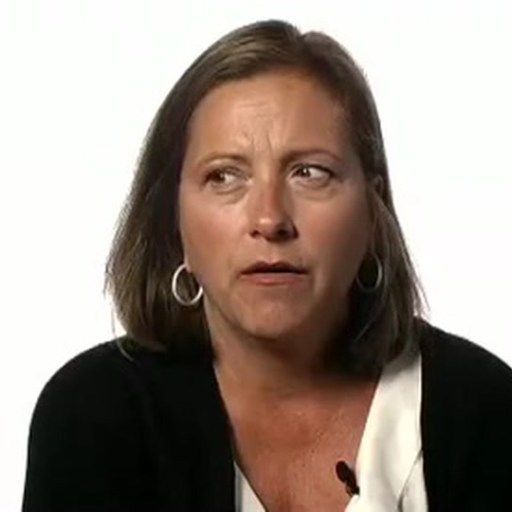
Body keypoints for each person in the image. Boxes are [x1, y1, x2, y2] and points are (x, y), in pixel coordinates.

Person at [22, 19, 512, 512]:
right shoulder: (94, 414)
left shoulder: (483, 407)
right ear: (175, 222)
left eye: (310, 172)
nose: (269, 219)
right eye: (224, 176)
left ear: (372, 210)